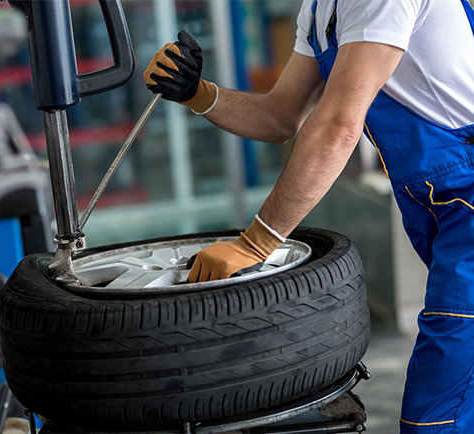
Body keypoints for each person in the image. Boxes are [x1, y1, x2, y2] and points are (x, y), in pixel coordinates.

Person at [143, 0, 474, 432]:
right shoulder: (319, 10)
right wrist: (196, 93)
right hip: (441, 204)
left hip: (466, 197)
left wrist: (256, 243)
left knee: (437, 409)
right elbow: (281, 116)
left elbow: (338, 124)